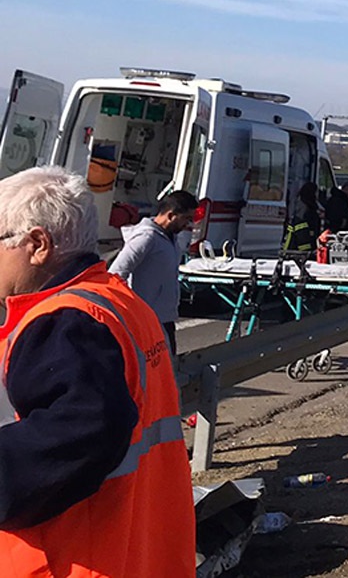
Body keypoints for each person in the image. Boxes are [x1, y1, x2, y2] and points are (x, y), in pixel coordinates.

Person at [0, 167, 194, 576]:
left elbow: (85, 429)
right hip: (138, 549)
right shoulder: (116, 302)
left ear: (38, 244)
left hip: (73, 558)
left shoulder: (63, 323)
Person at [110, 190, 198, 355]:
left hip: (165, 318)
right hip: (146, 321)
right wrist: (129, 309)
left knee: (167, 371)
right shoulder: (146, 237)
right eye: (186, 218)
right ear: (171, 215)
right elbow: (116, 272)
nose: (189, 224)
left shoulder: (170, 238)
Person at [284, 182, 321, 252]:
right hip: (302, 241)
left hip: (305, 239)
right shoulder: (303, 206)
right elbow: (301, 226)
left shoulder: (306, 204)